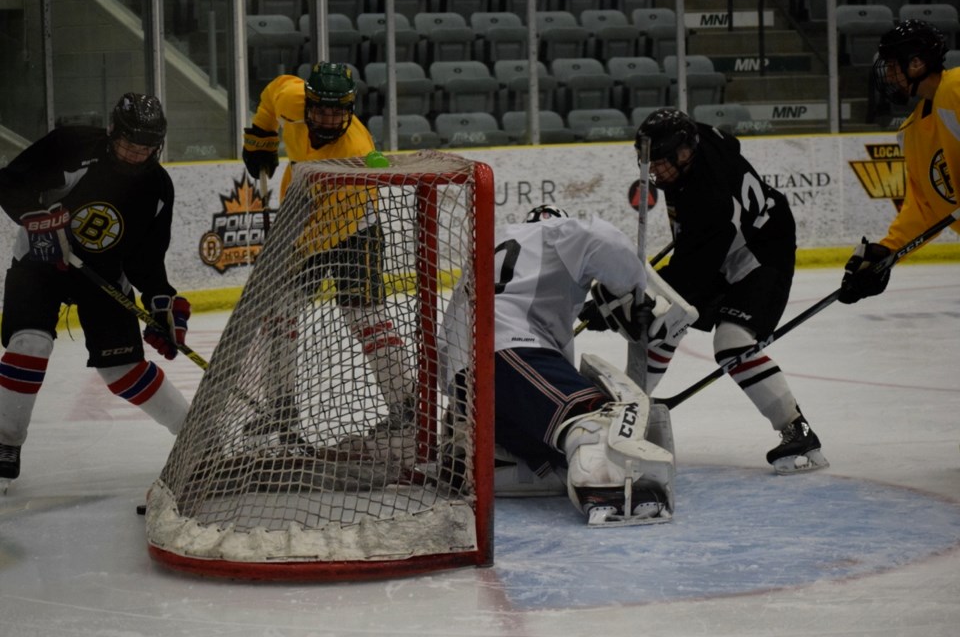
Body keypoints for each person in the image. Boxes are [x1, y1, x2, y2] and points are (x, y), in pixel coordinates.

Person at [586, 107, 829, 475]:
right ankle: (630, 407)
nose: (654, 170)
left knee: (729, 341)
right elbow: (729, 142)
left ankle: (799, 431)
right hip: (726, 240)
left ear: (685, 154)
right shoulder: (696, 139)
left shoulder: (710, 201)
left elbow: (688, 279)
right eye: (649, 160)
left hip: (763, 252)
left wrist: (622, 306)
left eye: (663, 162)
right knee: (665, 319)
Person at [440, 204, 677, 526]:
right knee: (592, 419)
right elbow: (601, 238)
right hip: (506, 352)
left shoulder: (491, 245)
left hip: (463, 377)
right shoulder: (558, 231)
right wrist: (634, 292)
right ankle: (610, 489)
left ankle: (493, 460)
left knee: (556, 453)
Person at [0, 93, 191, 491]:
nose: (135, 153)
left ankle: (194, 435)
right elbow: (11, 183)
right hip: (39, 264)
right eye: (128, 143)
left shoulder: (157, 187)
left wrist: (162, 303)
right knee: (30, 344)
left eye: (145, 147)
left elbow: (146, 259)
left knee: (122, 370)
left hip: (102, 275)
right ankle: (5, 441)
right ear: (112, 132)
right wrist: (35, 220)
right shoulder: (73, 146)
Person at [241, 62, 416, 455]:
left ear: (350, 109)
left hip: (353, 225)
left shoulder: (355, 151)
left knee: (364, 315)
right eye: (321, 109)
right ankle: (281, 408)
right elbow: (272, 93)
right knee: (281, 314)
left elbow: (332, 224)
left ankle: (405, 407)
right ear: (308, 104)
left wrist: (292, 244)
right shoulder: (291, 98)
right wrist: (261, 137)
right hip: (302, 214)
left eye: (338, 111)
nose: (328, 118)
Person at [838, 20, 960, 305]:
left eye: (893, 67)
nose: (889, 76)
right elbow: (926, 206)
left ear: (916, 64)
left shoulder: (956, 87)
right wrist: (887, 252)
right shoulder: (911, 132)